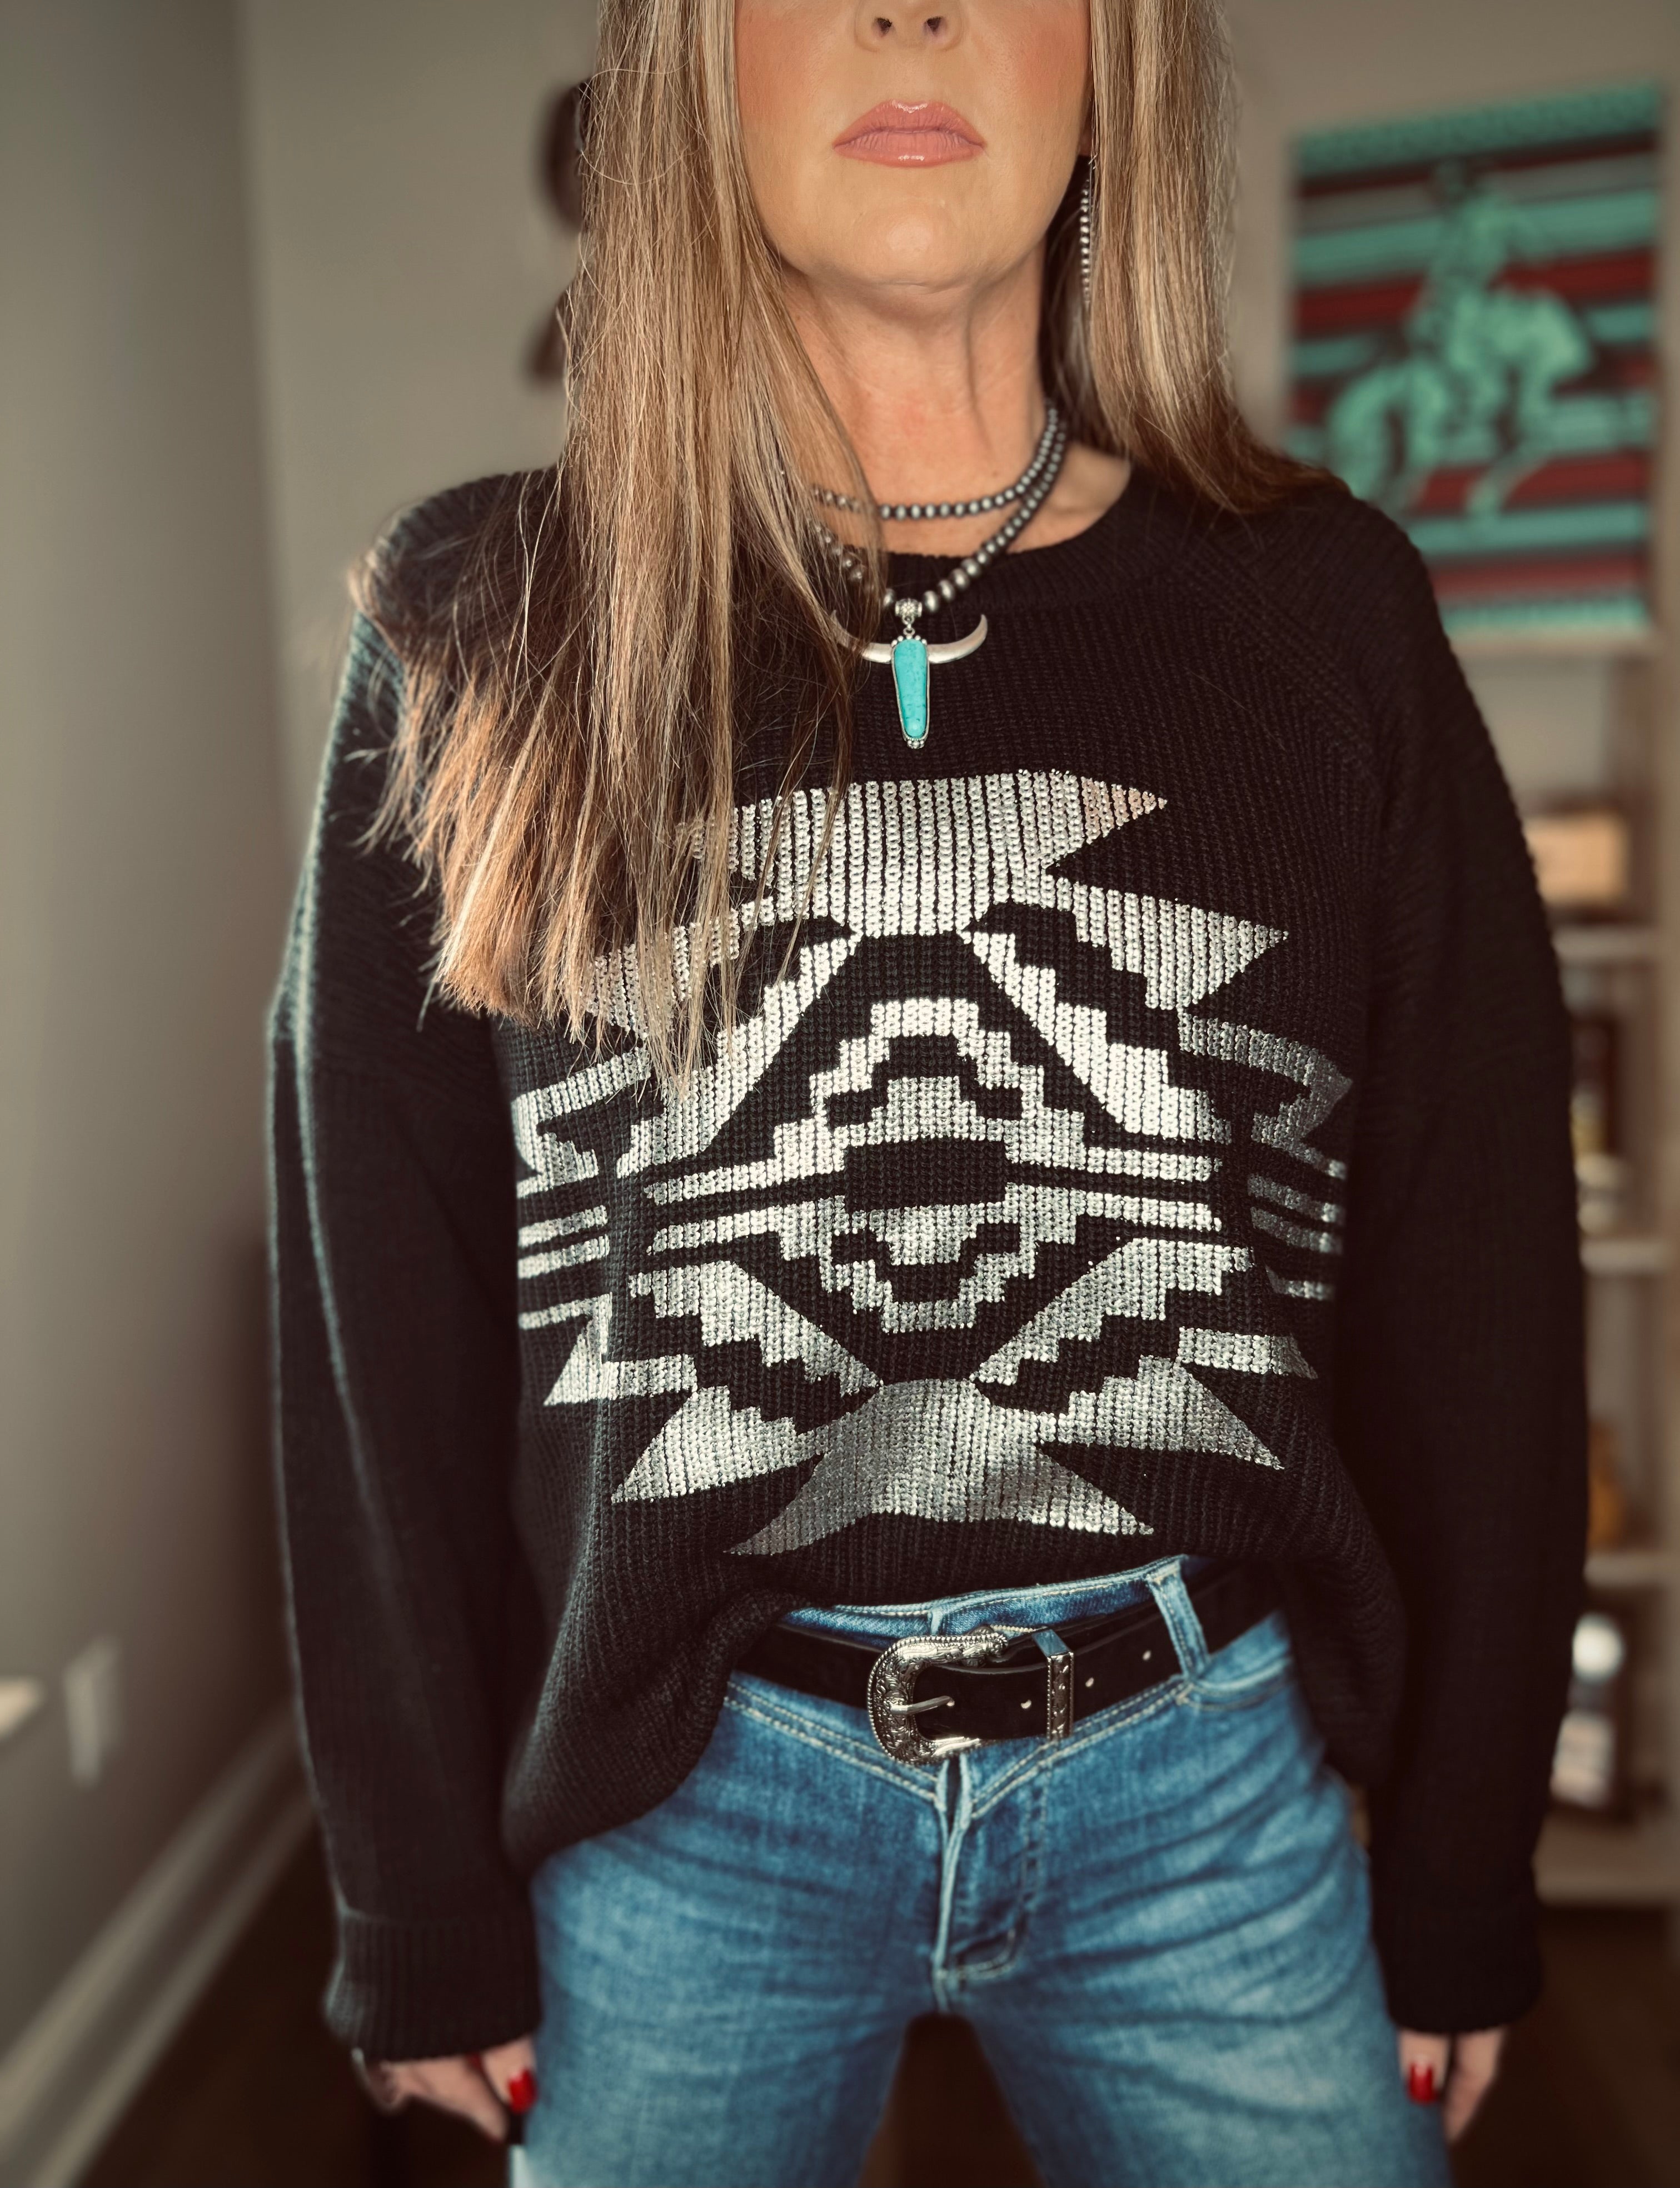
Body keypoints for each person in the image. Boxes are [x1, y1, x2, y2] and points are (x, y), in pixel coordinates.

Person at [268, 2, 1586, 2182]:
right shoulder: (478, 618)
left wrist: (1464, 1854)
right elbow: (371, 1323)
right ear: (689, 63)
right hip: (678, 1803)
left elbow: (1481, 1288)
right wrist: (414, 1899)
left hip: (1209, 1790)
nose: (911, 13)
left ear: (1114, 55)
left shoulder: (1329, 617)